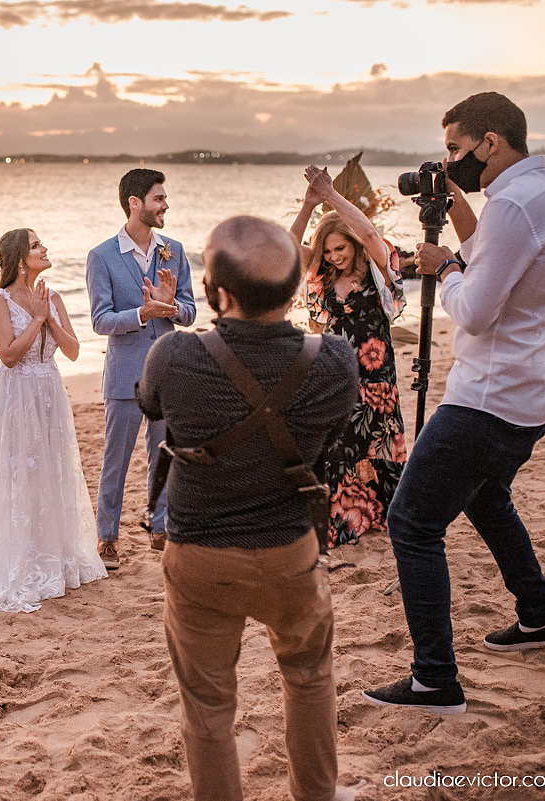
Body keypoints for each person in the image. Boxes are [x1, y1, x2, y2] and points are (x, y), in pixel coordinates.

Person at [364, 92, 545, 714]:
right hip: (540, 390)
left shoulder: (512, 205)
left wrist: (441, 268)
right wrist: (465, 249)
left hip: (489, 395)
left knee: (411, 523)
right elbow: (508, 270)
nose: (451, 161)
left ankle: (434, 679)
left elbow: (478, 312)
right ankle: (540, 617)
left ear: (491, 142)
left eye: (457, 149)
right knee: (487, 495)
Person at [138, 215, 366, 801]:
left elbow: (148, 402)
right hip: (290, 550)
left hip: (200, 557)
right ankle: (317, 794)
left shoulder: (174, 357)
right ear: (295, 288)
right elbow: (339, 432)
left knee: (208, 704)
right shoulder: (336, 360)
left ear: (218, 293)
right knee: (310, 676)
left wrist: (165, 312)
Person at [0, 229, 106, 619]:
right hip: (15, 399)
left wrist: (51, 319)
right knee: (15, 475)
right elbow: (8, 356)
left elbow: (74, 351)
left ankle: (52, 557)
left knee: (51, 472)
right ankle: (15, 559)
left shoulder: (53, 297)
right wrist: (37, 320)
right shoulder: (0, 301)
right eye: (35, 245)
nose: (44, 248)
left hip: (49, 393)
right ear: (18, 257)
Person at [289, 165, 407, 547]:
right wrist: (310, 205)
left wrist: (331, 196)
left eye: (341, 248)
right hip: (335, 373)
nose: (335, 256)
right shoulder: (321, 278)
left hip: (377, 376)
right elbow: (288, 251)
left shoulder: (377, 276)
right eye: (328, 250)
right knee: (337, 445)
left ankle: (385, 515)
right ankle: (343, 521)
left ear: (354, 245)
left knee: (379, 442)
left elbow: (371, 232)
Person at [86, 168, 196, 568]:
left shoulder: (175, 250)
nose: (166, 205)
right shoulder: (101, 257)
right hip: (124, 375)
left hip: (167, 373)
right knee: (116, 459)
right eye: (159, 199)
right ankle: (108, 538)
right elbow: (101, 321)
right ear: (135, 203)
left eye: (165, 198)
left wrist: (169, 308)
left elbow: (189, 311)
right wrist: (143, 313)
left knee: (163, 454)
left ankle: (161, 527)